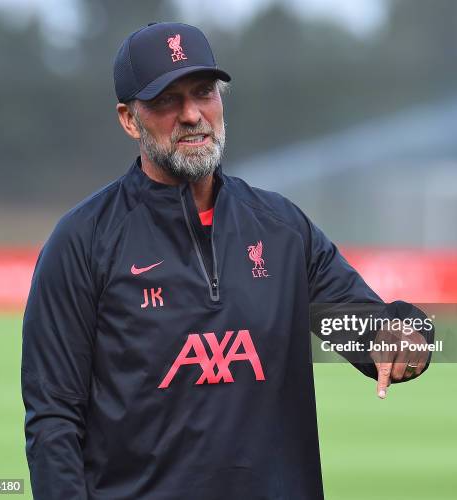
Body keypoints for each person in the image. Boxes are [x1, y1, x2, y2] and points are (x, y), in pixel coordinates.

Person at [22, 22, 433, 500]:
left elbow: (366, 329)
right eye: (166, 101)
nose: (192, 114)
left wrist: (406, 336)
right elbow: (53, 417)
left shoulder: (281, 228)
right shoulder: (82, 240)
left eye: (204, 93)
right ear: (129, 119)